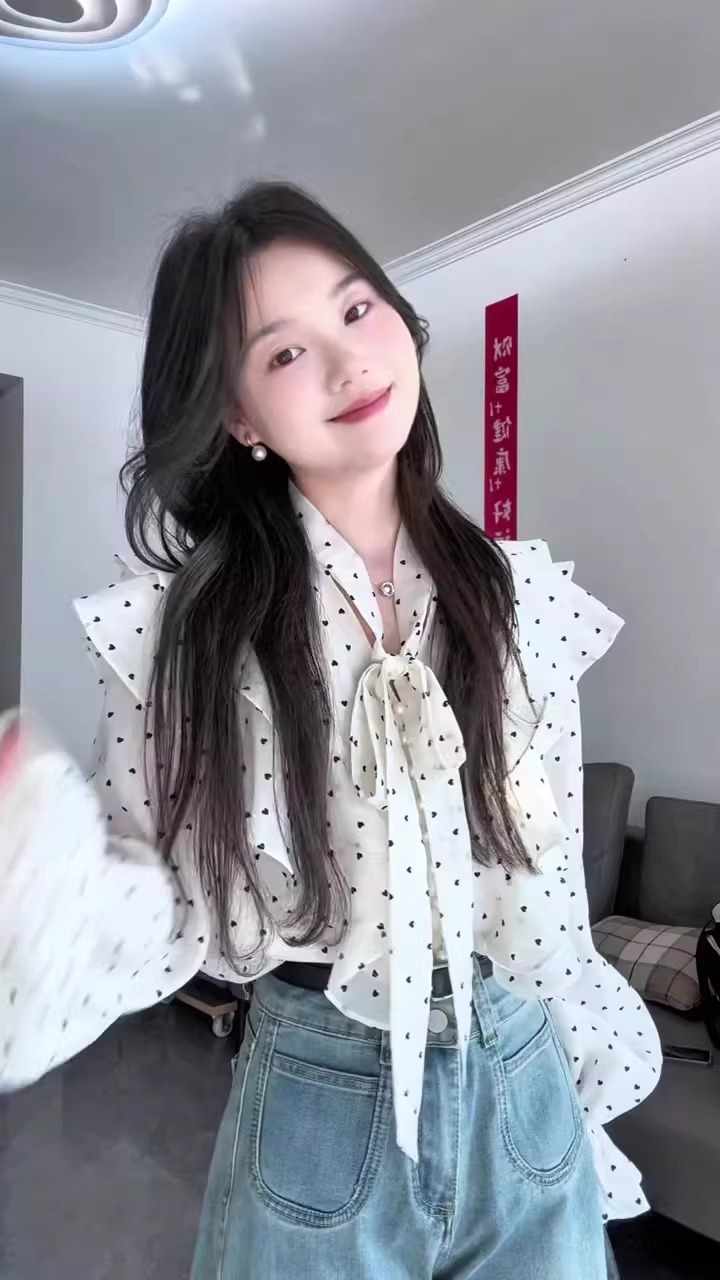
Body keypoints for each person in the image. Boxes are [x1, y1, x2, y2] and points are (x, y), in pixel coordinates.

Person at [0, 183, 659, 1278]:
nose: (349, 362)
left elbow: (544, 881)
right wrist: (37, 853)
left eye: (357, 309)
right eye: (286, 351)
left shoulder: (520, 596)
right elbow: (161, 902)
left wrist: (575, 1102)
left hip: (525, 1079)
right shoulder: (182, 632)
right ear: (240, 418)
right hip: (321, 1094)